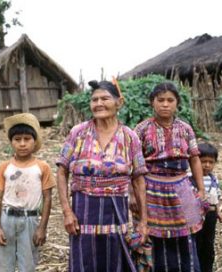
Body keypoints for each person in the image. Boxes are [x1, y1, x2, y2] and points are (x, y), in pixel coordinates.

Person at [57, 80, 149, 272]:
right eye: (94, 99)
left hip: (116, 210)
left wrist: (143, 222)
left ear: (119, 102)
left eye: (105, 98)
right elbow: (62, 171)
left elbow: (139, 179)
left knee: (116, 259)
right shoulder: (78, 133)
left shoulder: (129, 137)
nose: (98, 103)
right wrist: (67, 212)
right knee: (84, 260)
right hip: (83, 211)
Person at [134, 82, 204, 272]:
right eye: (160, 100)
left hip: (182, 187)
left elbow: (195, 159)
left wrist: (201, 190)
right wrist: (134, 195)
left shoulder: (186, 129)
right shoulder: (141, 130)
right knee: (157, 237)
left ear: (177, 103)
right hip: (152, 189)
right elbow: (134, 166)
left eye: (170, 100)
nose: (165, 104)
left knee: (188, 233)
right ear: (152, 103)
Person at [0, 113, 55, 271]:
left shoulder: (42, 167)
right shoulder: (5, 167)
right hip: (7, 219)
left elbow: (47, 198)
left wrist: (42, 227)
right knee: (3, 265)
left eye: (27, 139)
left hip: (30, 220)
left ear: (34, 141)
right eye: (17, 139)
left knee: (27, 265)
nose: (22, 144)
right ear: (11, 142)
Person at [194, 142, 222, 272]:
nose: (207, 165)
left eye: (211, 162)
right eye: (203, 161)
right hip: (195, 217)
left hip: (210, 215)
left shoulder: (213, 179)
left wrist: (218, 212)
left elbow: (216, 197)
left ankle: (207, 268)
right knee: (197, 243)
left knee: (209, 243)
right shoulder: (191, 178)